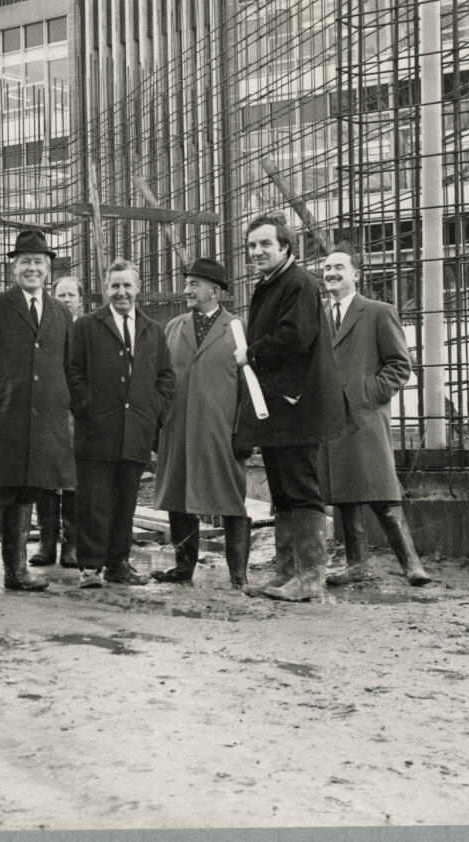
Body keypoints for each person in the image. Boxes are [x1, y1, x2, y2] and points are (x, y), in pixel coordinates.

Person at [234, 215, 350, 603]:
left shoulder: (297, 282)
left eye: (265, 244)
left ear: (285, 247)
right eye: (252, 245)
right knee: (283, 492)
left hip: (296, 407)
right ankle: (288, 573)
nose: (257, 251)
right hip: (278, 407)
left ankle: (309, 577)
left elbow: (295, 336)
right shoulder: (272, 284)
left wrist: (251, 353)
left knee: (300, 489)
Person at [0, 230, 76, 594]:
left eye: (38, 262)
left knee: (27, 492)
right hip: (3, 417)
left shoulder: (61, 313)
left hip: (44, 422)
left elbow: (67, 366)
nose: (32, 268)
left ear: (48, 268)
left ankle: (17, 570)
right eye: (25, 261)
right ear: (14, 267)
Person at [318, 246, 432, 586]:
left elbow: (400, 365)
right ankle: (357, 565)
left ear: (356, 274)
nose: (331, 273)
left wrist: (367, 393)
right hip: (331, 419)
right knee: (345, 494)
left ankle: (412, 565)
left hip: (366, 417)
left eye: (339, 267)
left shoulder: (379, 312)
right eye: (326, 267)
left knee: (381, 491)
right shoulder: (318, 315)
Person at [68, 260, 174, 588]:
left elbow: (165, 377)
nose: (121, 292)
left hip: (136, 432)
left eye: (127, 285)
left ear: (138, 288)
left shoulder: (153, 330)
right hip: (96, 432)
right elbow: (72, 372)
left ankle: (118, 564)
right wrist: (85, 408)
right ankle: (90, 567)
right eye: (115, 286)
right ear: (106, 289)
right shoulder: (86, 327)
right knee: (93, 502)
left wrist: (153, 412)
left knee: (125, 502)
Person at [152, 258, 252, 588]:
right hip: (178, 428)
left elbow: (250, 385)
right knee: (178, 496)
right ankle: (183, 568)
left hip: (220, 431)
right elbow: (162, 379)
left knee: (230, 498)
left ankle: (238, 574)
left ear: (216, 292)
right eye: (187, 283)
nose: (187, 290)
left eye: (194, 284)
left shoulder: (237, 328)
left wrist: (245, 431)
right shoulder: (173, 327)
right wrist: (158, 424)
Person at [30, 275, 84, 568]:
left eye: (71, 295)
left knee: (74, 479)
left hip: (78, 414)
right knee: (47, 477)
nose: (66, 300)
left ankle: (72, 544)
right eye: (60, 295)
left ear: (80, 301)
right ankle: (46, 543)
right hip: (48, 413)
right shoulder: (43, 327)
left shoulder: (85, 330)